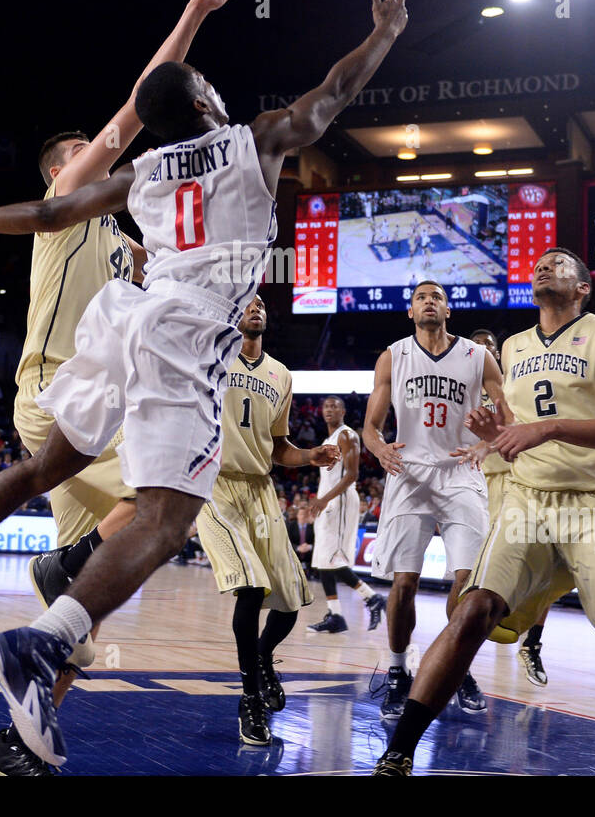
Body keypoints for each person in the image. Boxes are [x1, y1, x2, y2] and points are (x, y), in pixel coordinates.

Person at [0, 0, 413, 767]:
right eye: (207, 81)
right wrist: (384, 33)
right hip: (181, 333)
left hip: (123, 321)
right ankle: (44, 638)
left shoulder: (147, 172)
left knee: (45, 467)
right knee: (167, 519)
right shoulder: (257, 138)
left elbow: (48, 214)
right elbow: (333, 94)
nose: (215, 85)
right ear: (204, 100)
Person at [0, 0, 245, 777]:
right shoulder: (68, 205)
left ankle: (19, 738)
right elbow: (136, 108)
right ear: (61, 168)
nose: (106, 151)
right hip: (59, 388)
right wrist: (195, 10)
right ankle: (1, 569)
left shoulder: (128, 235)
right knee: (173, 509)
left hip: (103, 397)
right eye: (86, 150)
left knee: (92, 603)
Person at [373, 247, 595, 777]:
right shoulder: (512, 347)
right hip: (527, 500)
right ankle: (397, 754)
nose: (543, 265)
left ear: (583, 286)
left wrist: (551, 427)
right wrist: (496, 437)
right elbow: (516, 425)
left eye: (558, 263)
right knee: (471, 611)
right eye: (539, 263)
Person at [193, 296, 338, 745]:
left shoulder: (281, 374)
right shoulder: (211, 356)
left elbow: (280, 448)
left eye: (262, 303)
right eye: (247, 303)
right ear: (231, 313)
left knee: (292, 599)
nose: (256, 307)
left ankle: (261, 658)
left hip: (260, 490)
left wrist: (309, 456)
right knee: (252, 588)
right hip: (214, 484)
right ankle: (250, 697)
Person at [362, 281, 506, 720]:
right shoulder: (393, 355)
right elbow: (370, 426)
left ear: (448, 309)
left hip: (462, 472)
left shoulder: (479, 356)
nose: (428, 301)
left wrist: (485, 447)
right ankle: (398, 669)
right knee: (404, 583)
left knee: (468, 582)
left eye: (436, 297)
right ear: (410, 312)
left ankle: (455, 666)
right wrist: (380, 447)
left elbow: (507, 419)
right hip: (409, 473)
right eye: (421, 297)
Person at [471, 327, 550, 686]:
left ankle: (532, 644)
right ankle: (462, 664)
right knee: (469, 579)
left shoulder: (518, 383)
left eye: (489, 345)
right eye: (476, 347)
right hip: (477, 488)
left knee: (544, 567)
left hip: (520, 481)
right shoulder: (462, 394)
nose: (484, 350)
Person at [307, 396, 386, 633]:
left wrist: (325, 498)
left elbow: (352, 475)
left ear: (343, 411)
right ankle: (336, 615)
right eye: (326, 406)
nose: (329, 409)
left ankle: (372, 598)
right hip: (329, 501)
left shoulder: (347, 435)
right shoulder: (328, 439)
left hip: (340, 501)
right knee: (322, 561)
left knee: (334, 560)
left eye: (334, 406)